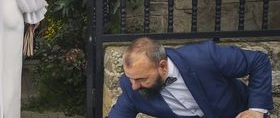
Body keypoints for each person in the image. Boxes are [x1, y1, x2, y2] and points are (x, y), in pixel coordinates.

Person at [108, 37, 273, 118]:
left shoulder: (204, 57)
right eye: (131, 78)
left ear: (163, 67)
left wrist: (256, 110)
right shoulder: (132, 89)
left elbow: (258, 61)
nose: (134, 85)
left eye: (141, 79)